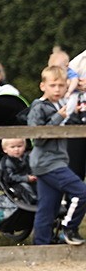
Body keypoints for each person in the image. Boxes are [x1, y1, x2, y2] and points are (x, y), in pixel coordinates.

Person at [26, 65, 86, 246]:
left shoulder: (61, 104)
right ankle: (69, 227)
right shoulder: (38, 107)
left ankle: (41, 246)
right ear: (43, 86)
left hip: (57, 160)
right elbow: (37, 138)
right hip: (47, 162)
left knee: (47, 208)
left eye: (61, 85)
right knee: (82, 193)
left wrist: (72, 116)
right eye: (53, 85)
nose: (57, 89)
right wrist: (58, 118)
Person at [0, 138, 38, 227]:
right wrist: (26, 178)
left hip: (26, 179)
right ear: (5, 150)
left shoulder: (26, 157)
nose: (16, 149)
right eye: (13, 147)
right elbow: (9, 177)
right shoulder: (7, 162)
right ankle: (33, 200)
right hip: (13, 183)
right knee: (25, 187)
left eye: (19, 146)